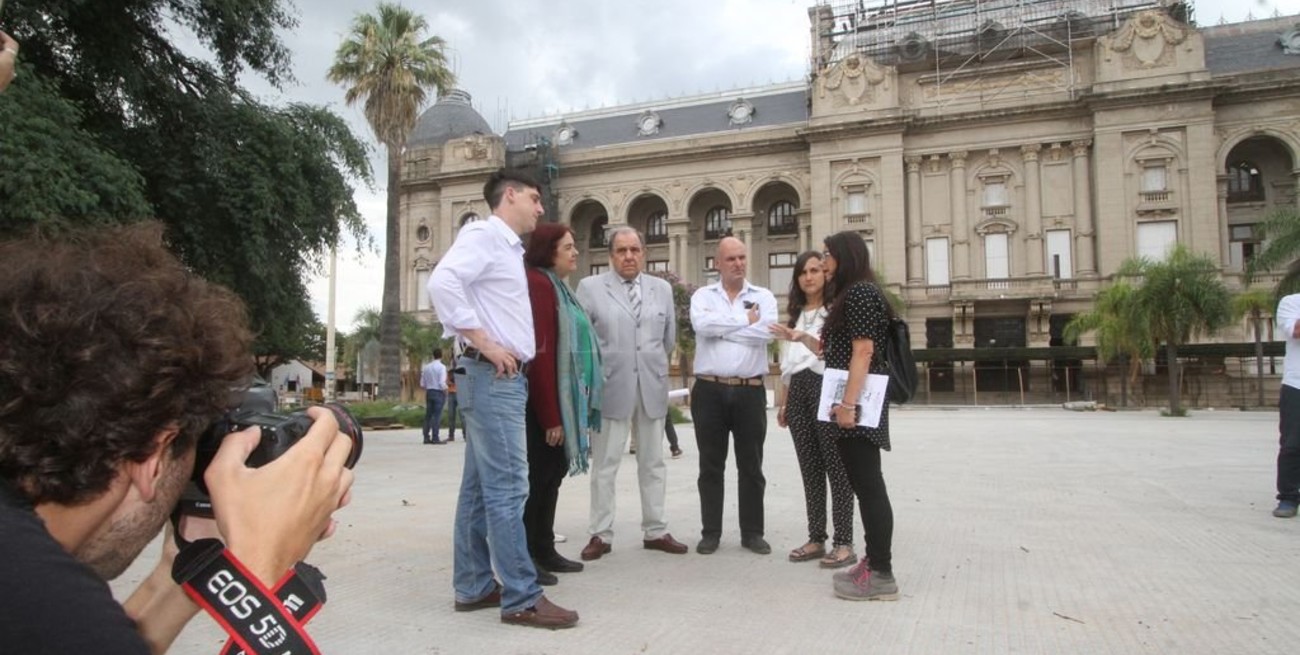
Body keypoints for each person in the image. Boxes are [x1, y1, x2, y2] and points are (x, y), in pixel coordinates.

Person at [0, 223, 354, 652]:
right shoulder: (51, 609)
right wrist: (258, 567)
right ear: (153, 455)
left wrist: (183, 568)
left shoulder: (33, 590)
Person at [428, 168, 579, 629]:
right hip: (493, 375)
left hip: (491, 376)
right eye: (533, 199)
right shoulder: (486, 236)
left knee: (478, 488)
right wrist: (486, 343)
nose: (540, 208)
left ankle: (474, 585)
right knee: (510, 485)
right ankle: (521, 596)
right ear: (509, 196)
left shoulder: (506, 249)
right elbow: (441, 283)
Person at [576, 227, 689, 561]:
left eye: (635, 250)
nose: (629, 256)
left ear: (644, 253)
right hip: (610, 387)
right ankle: (601, 533)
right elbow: (584, 343)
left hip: (651, 387)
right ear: (611, 255)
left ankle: (655, 530)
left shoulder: (662, 289)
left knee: (653, 462)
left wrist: (647, 364)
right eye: (622, 250)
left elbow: (667, 338)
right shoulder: (591, 288)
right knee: (606, 465)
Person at [818, 230, 900, 601]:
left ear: (845, 256)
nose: (822, 262)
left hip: (859, 407)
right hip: (852, 405)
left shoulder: (862, 293)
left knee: (869, 487)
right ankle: (875, 563)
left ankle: (881, 572)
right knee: (866, 485)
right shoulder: (851, 295)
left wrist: (849, 406)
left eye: (827, 254)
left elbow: (863, 352)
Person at [522, 222, 602, 585]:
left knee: (551, 476)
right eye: (568, 247)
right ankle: (528, 554)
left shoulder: (560, 289)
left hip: (558, 402)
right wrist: (551, 416)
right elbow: (541, 356)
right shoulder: (539, 285)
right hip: (542, 405)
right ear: (548, 251)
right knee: (539, 479)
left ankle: (544, 547)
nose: (575, 252)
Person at [688, 236, 778, 555]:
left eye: (742, 257)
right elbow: (702, 326)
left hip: (749, 391)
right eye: (731, 259)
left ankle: (752, 532)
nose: (738, 263)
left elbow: (765, 332)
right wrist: (743, 321)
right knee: (710, 465)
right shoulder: (702, 296)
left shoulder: (763, 297)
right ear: (717, 263)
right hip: (709, 391)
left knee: (751, 465)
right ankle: (711, 531)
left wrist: (724, 328)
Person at [769, 251, 857, 569]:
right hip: (799, 392)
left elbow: (834, 353)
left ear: (826, 275)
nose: (809, 277)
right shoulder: (795, 315)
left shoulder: (835, 311)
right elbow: (789, 366)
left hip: (827, 389)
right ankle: (816, 537)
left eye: (816, 270)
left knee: (837, 467)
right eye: (803, 272)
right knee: (810, 468)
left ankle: (844, 541)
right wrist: (784, 403)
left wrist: (804, 337)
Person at [1274, 292, 1300, 518]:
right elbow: (1296, 332)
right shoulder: (1291, 302)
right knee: (1293, 445)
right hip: (1297, 385)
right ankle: (1289, 497)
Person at [420, 348, 448, 445]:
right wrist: (445, 390)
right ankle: (435, 437)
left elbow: (422, 384)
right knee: (437, 416)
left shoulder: (426, 367)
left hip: (429, 391)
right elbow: (442, 382)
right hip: (438, 392)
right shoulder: (442, 367)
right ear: (441, 355)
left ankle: (426, 437)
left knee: (428, 415)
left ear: (433, 355)